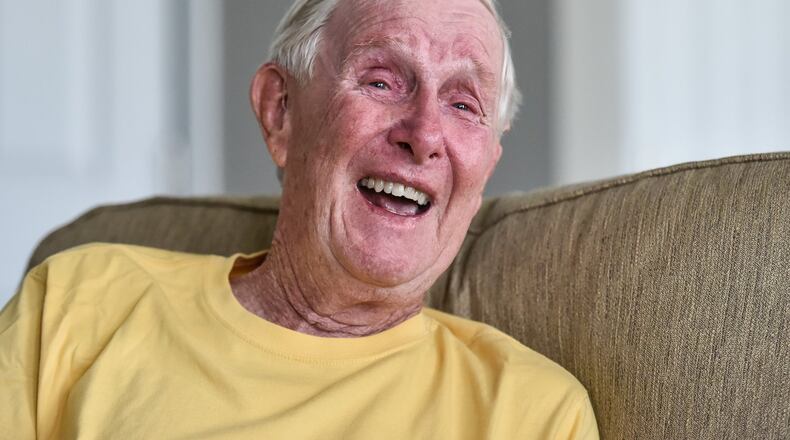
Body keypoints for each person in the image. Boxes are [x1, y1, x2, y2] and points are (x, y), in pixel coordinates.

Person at [0, 0, 599, 438]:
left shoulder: (530, 414)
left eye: (464, 104)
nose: (424, 135)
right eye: (383, 81)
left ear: (488, 161)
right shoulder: (78, 303)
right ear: (280, 111)